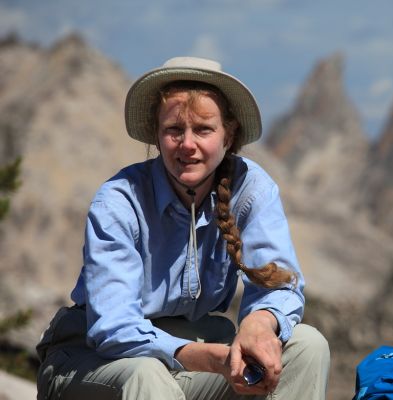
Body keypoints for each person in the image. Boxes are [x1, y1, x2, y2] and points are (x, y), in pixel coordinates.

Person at [36, 57, 330, 400]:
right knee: (146, 375)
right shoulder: (118, 202)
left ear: (229, 134)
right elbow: (113, 328)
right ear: (157, 135)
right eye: (174, 130)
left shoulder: (251, 190)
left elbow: (281, 282)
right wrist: (210, 358)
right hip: (95, 362)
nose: (187, 144)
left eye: (203, 130)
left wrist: (260, 324)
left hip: (197, 358)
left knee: (307, 346)